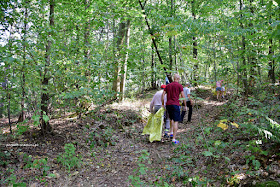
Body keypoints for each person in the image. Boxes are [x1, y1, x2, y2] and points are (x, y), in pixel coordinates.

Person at [161, 74, 187, 144]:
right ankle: (174, 139)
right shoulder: (179, 86)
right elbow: (183, 96)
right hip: (175, 104)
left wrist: (163, 104)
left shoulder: (168, 85)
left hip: (168, 105)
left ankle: (171, 132)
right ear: (178, 79)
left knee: (171, 119)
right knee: (176, 121)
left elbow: (163, 94)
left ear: (174, 78)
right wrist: (185, 105)